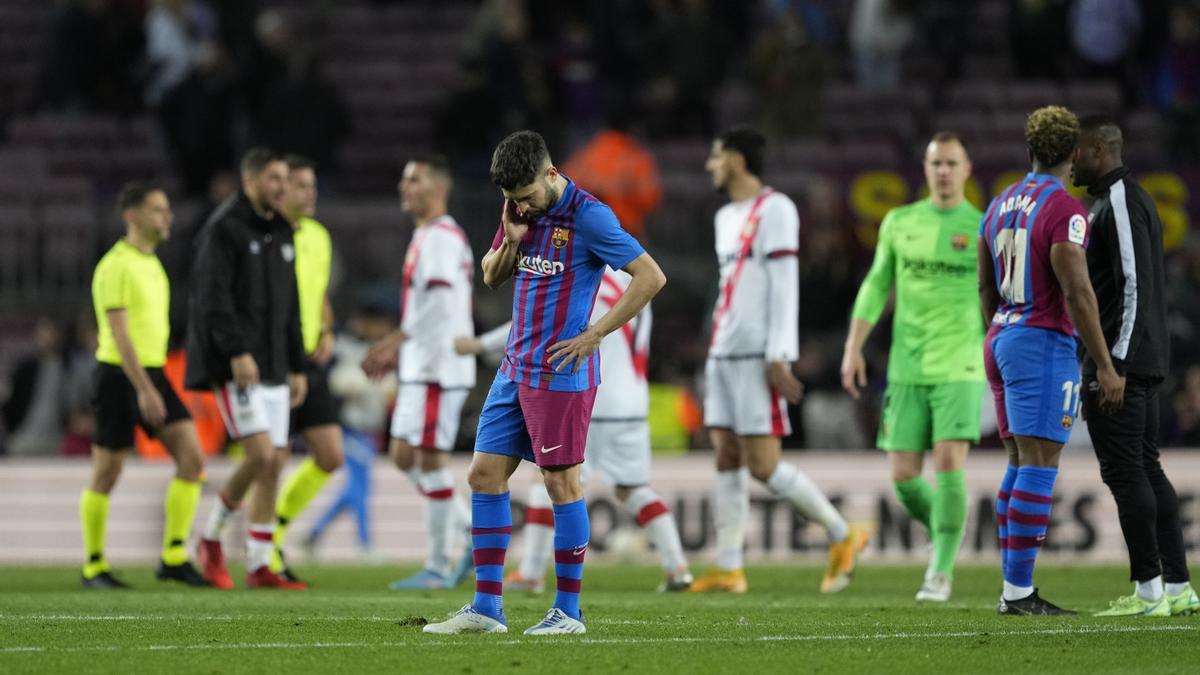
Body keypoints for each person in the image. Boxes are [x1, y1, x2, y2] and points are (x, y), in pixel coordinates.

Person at [421, 130, 665, 636]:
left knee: (560, 483)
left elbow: (649, 276)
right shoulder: (519, 210)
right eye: (510, 199)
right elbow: (491, 277)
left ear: (551, 174)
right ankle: (487, 609)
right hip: (514, 367)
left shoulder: (589, 216)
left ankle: (569, 614)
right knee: (484, 476)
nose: (520, 205)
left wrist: (596, 333)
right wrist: (510, 240)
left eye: (527, 196)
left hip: (560, 372)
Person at [692, 126, 864, 595]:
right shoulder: (726, 216)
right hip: (724, 351)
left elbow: (785, 284)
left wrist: (779, 353)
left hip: (755, 354)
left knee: (763, 465)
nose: (710, 165)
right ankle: (730, 567)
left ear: (738, 160)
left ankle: (842, 533)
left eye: (716, 156)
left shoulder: (777, 209)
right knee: (725, 453)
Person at [458, 268, 692, 594]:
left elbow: (538, 328)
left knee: (552, 480)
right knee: (633, 488)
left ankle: (530, 572)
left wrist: (480, 345)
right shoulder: (633, 282)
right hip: (634, 401)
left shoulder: (584, 281)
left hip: (595, 396)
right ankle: (677, 566)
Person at [978, 105, 1124, 616]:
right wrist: (1105, 364)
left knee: (1019, 461)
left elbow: (984, 285)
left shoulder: (998, 203)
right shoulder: (1065, 209)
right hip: (1040, 341)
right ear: (1075, 154)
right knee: (1040, 463)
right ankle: (1017, 593)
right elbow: (1078, 291)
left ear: (1030, 149)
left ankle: (1012, 588)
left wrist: (999, 335)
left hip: (1002, 336)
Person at [840, 132, 983, 602]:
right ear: (926, 170)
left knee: (948, 462)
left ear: (966, 169)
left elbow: (998, 297)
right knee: (903, 478)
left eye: (952, 163)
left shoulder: (981, 228)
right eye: (936, 163)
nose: (943, 171)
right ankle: (947, 532)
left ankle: (938, 572)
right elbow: (875, 285)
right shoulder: (900, 222)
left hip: (960, 363)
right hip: (907, 366)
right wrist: (854, 346)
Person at [1072, 115, 1197, 617]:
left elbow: (1134, 286)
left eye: (1079, 152)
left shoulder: (1121, 201)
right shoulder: (1120, 200)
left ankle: (1148, 591)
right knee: (1146, 469)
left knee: (1126, 474)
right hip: (1140, 359)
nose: (1073, 161)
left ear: (1101, 149)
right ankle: (1178, 587)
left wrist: (1112, 364)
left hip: (1123, 362)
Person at [186, 147, 308, 590]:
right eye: (275, 179)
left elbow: (290, 307)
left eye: (285, 179)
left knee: (275, 462)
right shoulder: (224, 230)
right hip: (238, 366)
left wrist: (296, 365)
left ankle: (259, 563)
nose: (282, 187)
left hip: (276, 364)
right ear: (251, 181)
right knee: (258, 454)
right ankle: (211, 537)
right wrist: (236, 351)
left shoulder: (282, 232)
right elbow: (212, 300)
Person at [79, 183, 208, 589]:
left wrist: (154, 383)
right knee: (107, 472)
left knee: (192, 460)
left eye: (167, 209)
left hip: (153, 374)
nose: (167, 217)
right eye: (157, 210)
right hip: (120, 376)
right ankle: (94, 566)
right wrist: (144, 389)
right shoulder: (115, 266)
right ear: (131, 215)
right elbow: (119, 334)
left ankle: (172, 556)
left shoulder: (152, 262)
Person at [361, 155, 476, 590]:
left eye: (414, 180)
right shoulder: (425, 235)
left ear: (439, 189)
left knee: (428, 459)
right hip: (421, 365)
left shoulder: (442, 237)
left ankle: (437, 563)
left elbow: (439, 304)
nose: (404, 187)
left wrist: (394, 341)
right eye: (403, 179)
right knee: (403, 455)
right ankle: (466, 530)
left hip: (436, 366)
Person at [269, 155, 345, 583]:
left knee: (330, 455)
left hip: (311, 359)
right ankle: (247, 541)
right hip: (277, 357)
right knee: (271, 459)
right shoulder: (270, 237)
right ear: (281, 191)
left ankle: (273, 532)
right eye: (301, 186)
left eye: (313, 185)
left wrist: (328, 328)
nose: (310, 193)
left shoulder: (317, 235)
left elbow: (316, 291)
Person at [305, 303, 398, 560]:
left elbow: (387, 389)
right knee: (360, 488)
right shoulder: (344, 348)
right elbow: (335, 381)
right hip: (351, 428)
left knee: (353, 489)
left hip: (371, 431)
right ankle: (365, 545)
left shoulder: (383, 352)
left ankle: (314, 533)